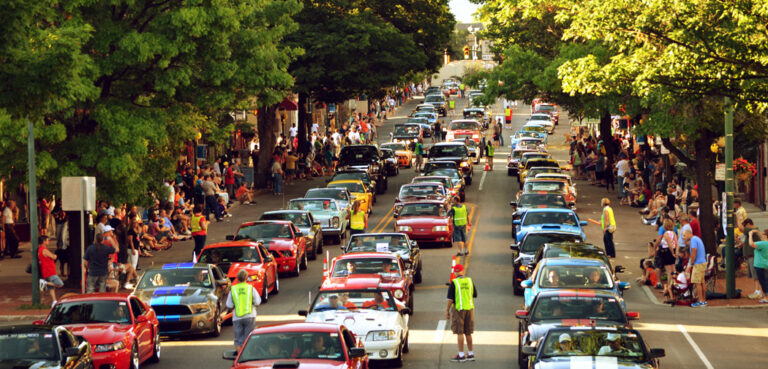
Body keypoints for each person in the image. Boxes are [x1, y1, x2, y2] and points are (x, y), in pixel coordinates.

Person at [446, 264, 477, 362]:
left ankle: (461, 355)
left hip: (459, 309)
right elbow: (475, 294)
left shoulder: (454, 283)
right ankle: (471, 354)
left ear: (455, 273)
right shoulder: (469, 281)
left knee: (460, 332)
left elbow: (450, 299)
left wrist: (447, 310)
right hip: (470, 309)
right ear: (463, 272)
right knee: (468, 332)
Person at [226, 269, 262, 351]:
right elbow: (257, 302)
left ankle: (240, 359)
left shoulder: (233, 289)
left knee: (238, 341)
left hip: (237, 318)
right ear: (246, 278)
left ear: (237, 278)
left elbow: (229, 305)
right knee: (248, 339)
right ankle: (248, 356)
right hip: (250, 316)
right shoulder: (250, 288)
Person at [683, 229, 707, 307]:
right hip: (702, 262)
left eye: (684, 235)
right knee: (701, 282)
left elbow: (694, 252)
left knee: (697, 283)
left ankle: (701, 300)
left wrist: (690, 264)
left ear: (689, 234)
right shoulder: (696, 239)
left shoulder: (693, 240)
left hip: (698, 263)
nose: (683, 237)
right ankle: (703, 299)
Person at [37, 236, 63, 306]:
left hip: (45, 271)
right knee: (60, 284)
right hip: (50, 271)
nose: (49, 242)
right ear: (44, 241)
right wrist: (55, 255)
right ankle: (45, 283)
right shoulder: (44, 250)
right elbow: (53, 256)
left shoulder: (39, 250)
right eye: (48, 240)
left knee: (51, 288)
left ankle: (54, 300)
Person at [747, 229, 768, 304]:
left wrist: (750, 235)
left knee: (763, 282)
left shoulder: (762, 243)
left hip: (760, 265)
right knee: (766, 281)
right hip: (766, 264)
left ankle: (766, 297)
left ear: (765, 236)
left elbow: (751, 244)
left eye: (763, 234)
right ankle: (765, 296)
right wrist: (756, 232)